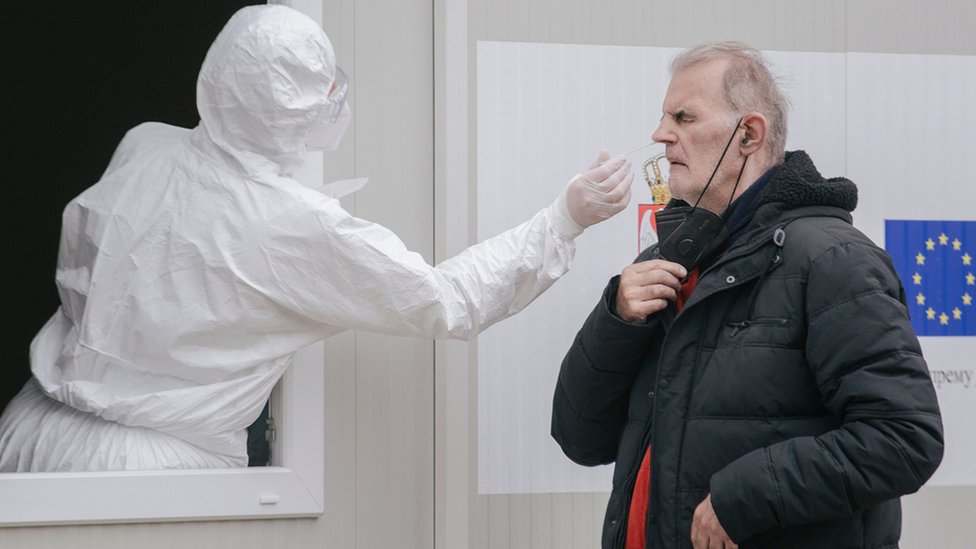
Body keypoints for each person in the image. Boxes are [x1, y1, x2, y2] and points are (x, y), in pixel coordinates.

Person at [0, 5, 633, 472]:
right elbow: (447, 300)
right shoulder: (289, 225)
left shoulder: (146, 144)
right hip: (147, 475)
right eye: (327, 88)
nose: (337, 97)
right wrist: (562, 220)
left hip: (29, 433)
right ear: (299, 113)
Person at [551, 42, 943, 549]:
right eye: (664, 117)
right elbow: (580, 438)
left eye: (684, 117)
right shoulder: (666, 263)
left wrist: (746, 498)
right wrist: (617, 319)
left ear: (749, 135)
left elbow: (903, 438)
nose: (660, 134)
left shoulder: (832, 259)